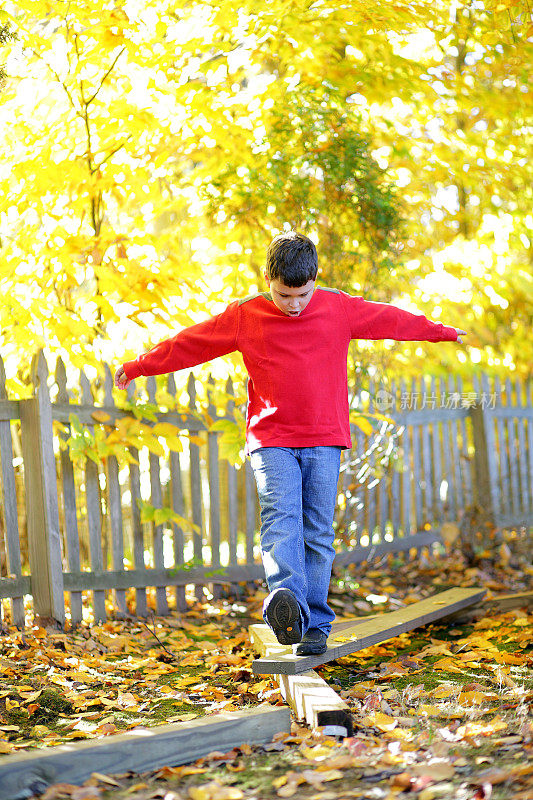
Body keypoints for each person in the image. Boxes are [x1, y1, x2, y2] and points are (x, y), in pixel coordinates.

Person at [115, 231, 466, 656]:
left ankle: (315, 623)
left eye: (303, 293)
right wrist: (139, 366)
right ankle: (288, 607)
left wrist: (439, 332)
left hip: (324, 437)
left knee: (318, 533)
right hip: (271, 438)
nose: (295, 304)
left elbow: (390, 319)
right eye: (284, 295)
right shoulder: (246, 315)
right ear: (267, 278)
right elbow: (192, 343)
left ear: (316, 279)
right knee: (281, 521)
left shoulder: (337, 306)